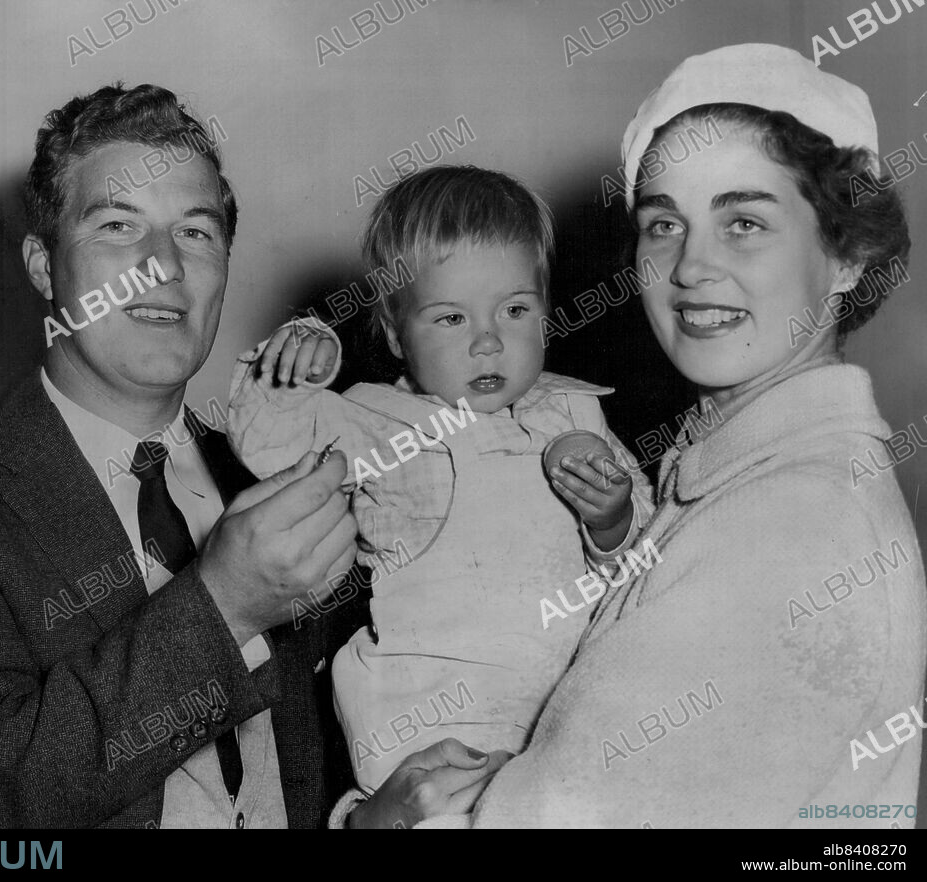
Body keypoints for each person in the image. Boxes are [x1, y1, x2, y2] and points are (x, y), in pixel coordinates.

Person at [359, 43, 927, 829]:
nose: (690, 266)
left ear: (847, 255)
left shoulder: (791, 522)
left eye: (744, 222)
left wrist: (374, 825)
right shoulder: (732, 476)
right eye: (665, 223)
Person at [0, 83, 366, 828]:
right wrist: (225, 604)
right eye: (118, 225)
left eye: (195, 232)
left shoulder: (284, 469)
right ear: (45, 265)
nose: (163, 265)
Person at [228, 166, 654, 796]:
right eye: (452, 319)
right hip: (436, 733)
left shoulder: (575, 411)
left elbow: (650, 563)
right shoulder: (376, 422)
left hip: (572, 724)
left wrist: (612, 520)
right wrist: (297, 359)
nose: (488, 342)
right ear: (397, 335)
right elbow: (266, 439)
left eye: (514, 309)